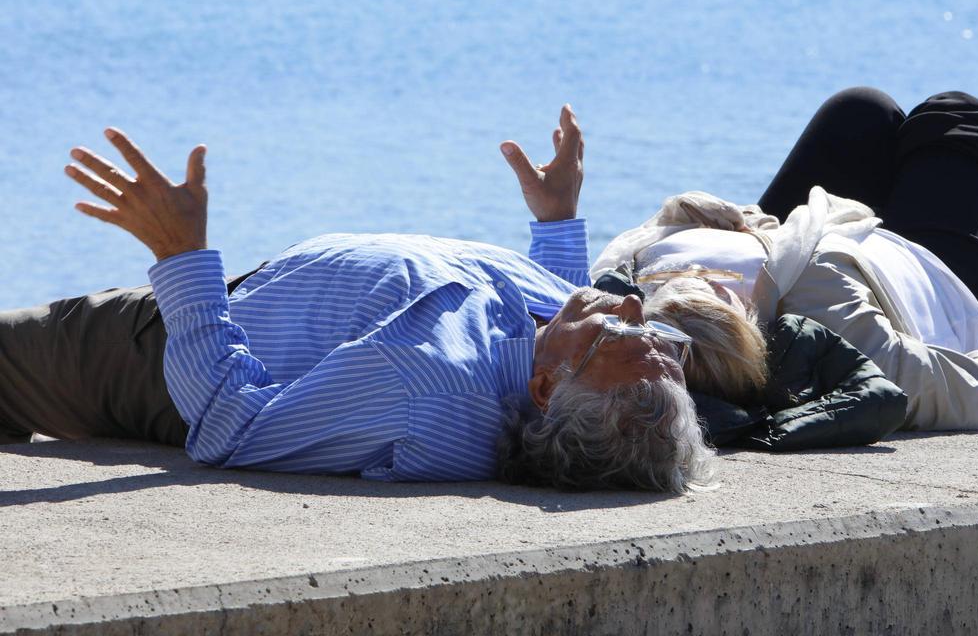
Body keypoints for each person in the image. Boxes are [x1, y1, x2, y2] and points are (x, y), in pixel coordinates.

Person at [0, 107, 714, 493]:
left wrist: (181, 255)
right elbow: (570, 311)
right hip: (241, 299)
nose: (624, 307)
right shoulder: (556, 341)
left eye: (616, 337)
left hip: (163, 349)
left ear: (544, 385)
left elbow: (227, 428)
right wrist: (557, 222)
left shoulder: (423, 389)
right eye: (655, 333)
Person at [593, 88, 978, 432]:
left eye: (688, 277)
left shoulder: (629, 293)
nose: (699, 274)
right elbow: (957, 390)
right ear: (742, 314)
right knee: (964, 122)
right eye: (716, 287)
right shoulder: (829, 330)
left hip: (815, 235)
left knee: (862, 112)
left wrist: (675, 217)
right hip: (940, 285)